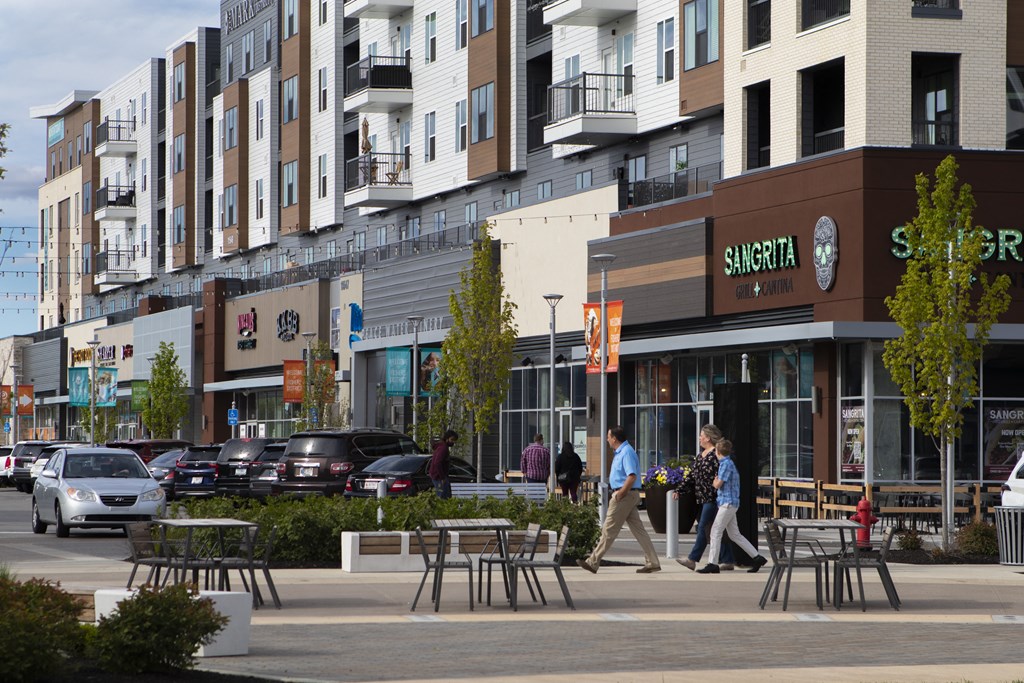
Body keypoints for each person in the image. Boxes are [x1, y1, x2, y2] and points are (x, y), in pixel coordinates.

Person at [577, 426, 661, 574]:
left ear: (614, 438)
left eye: (608, 436)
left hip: (624, 496)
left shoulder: (626, 452)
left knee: (609, 528)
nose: (607, 439)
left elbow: (632, 476)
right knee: (639, 531)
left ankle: (593, 561)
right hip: (627, 495)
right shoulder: (621, 452)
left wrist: (620, 493)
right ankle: (653, 562)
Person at [697, 439, 768, 574]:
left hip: (726, 503)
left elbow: (718, 484)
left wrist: (714, 481)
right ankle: (757, 557)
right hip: (731, 503)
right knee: (735, 534)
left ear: (717, 451)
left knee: (715, 532)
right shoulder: (730, 463)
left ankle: (712, 563)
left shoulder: (725, 464)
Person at [675, 424, 736, 571]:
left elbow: (724, 474)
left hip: (715, 498)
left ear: (708, 437)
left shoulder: (716, 454)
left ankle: (692, 559)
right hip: (702, 498)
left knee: (703, 527)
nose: (699, 438)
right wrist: (680, 490)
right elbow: (692, 476)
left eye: (701, 435)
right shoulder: (700, 456)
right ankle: (727, 559)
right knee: (714, 529)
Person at [429, 429, 457, 498]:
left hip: (438, 476)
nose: (453, 442)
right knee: (443, 497)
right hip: (439, 477)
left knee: (445, 496)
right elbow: (437, 462)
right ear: (447, 438)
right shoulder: (443, 448)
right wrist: (442, 477)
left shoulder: (441, 447)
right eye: (452, 440)